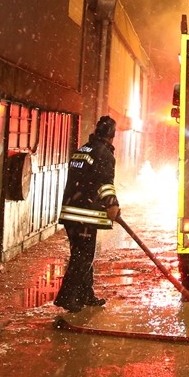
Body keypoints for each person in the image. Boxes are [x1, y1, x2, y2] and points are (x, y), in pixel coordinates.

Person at [54, 115, 121, 313]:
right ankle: (67, 297)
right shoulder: (105, 155)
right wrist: (112, 203)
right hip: (85, 214)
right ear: (112, 135)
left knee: (82, 254)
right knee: (82, 257)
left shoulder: (84, 149)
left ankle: (85, 294)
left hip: (71, 213)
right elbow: (104, 183)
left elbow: (86, 180)